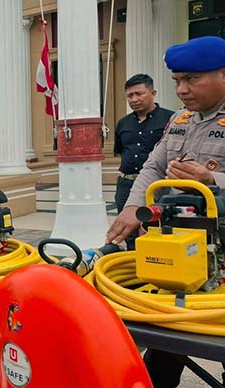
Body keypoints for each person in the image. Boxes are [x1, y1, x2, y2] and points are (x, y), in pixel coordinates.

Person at [105, 36, 225, 388]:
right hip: (181, 244)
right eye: (176, 81)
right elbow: (153, 168)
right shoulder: (181, 119)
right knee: (167, 328)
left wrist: (212, 179)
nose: (182, 90)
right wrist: (132, 208)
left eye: (191, 79)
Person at [113, 74, 174, 250]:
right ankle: (134, 264)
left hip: (158, 186)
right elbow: (120, 151)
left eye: (139, 94)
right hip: (126, 185)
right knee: (128, 229)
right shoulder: (123, 123)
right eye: (130, 96)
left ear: (153, 93)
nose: (134, 99)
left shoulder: (171, 119)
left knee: (157, 228)